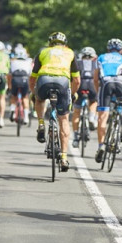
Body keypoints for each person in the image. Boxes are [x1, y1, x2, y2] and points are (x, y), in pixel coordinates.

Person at [30, 32, 80, 172]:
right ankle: (64, 157)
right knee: (63, 118)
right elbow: (76, 80)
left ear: (50, 43)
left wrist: (33, 93)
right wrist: (74, 93)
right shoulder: (70, 53)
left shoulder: (43, 52)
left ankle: (41, 124)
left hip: (44, 79)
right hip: (62, 82)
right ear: (64, 43)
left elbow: (33, 77)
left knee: (39, 100)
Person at [93, 38, 122, 163]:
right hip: (120, 84)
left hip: (106, 84)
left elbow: (95, 79)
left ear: (108, 49)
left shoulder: (101, 58)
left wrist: (98, 93)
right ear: (121, 50)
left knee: (103, 117)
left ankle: (101, 146)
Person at [72, 46, 99, 147]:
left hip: (81, 84)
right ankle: (92, 117)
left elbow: (73, 77)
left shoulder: (78, 62)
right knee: (93, 101)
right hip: (91, 83)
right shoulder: (96, 63)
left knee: (77, 112)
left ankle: (75, 137)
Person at [8, 46, 32, 124]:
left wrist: (9, 86)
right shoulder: (28, 62)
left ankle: (12, 110)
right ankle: (26, 117)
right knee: (25, 97)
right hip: (25, 79)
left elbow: (9, 75)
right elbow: (30, 75)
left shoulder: (12, 62)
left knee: (13, 96)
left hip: (15, 79)